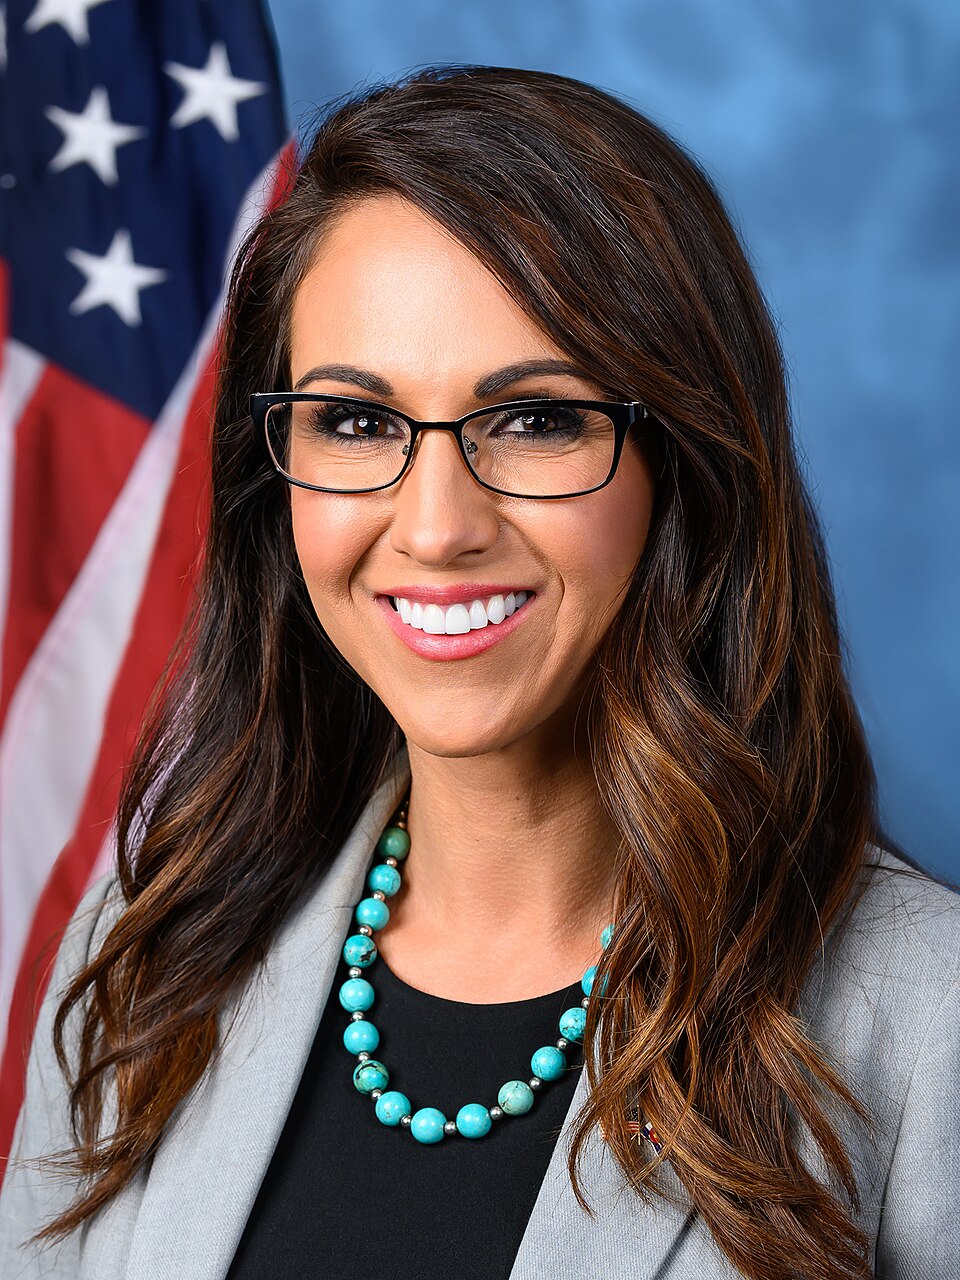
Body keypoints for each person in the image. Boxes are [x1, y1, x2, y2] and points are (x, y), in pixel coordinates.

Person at [1, 62, 957, 1280]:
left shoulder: (929, 1018)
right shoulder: (151, 954)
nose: (437, 526)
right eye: (356, 422)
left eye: (536, 418)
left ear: (685, 465)